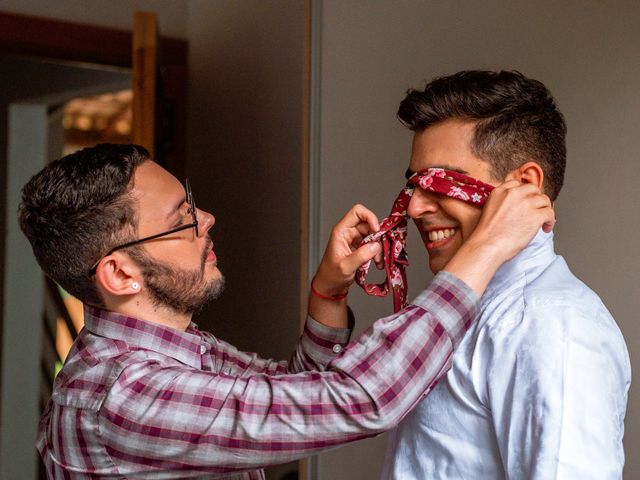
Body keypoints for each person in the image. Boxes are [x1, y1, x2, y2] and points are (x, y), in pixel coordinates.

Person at [20, 143, 553, 479]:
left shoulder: (179, 354)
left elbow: (296, 395)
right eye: (182, 219)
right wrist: (484, 252)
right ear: (119, 274)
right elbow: (356, 401)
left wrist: (328, 292)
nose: (207, 218)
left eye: (192, 201)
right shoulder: (125, 395)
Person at [381, 70, 631, 479]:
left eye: (442, 182)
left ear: (525, 185)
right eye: (414, 187)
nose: (414, 209)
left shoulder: (555, 326)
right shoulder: (457, 310)